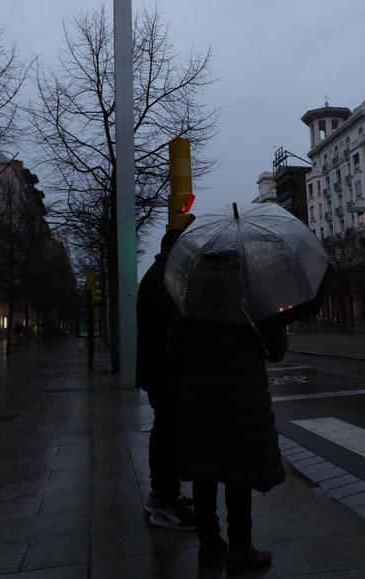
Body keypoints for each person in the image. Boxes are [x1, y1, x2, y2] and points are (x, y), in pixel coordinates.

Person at [173, 316, 288, 572]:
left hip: (199, 394)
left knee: (205, 469)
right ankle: (241, 547)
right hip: (241, 392)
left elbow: (175, 351)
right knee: (239, 469)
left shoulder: (190, 296)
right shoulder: (249, 292)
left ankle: (209, 540)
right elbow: (275, 349)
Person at [136, 226, 196, 531]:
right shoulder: (164, 278)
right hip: (164, 372)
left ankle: (165, 493)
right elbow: (173, 330)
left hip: (159, 370)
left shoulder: (159, 273)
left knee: (166, 431)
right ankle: (165, 501)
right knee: (167, 432)